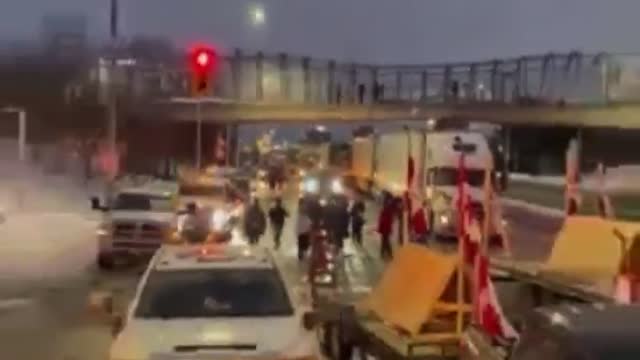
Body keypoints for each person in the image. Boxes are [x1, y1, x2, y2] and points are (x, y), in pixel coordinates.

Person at [377, 196, 395, 260]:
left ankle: (386, 253)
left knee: (385, 241)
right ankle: (387, 253)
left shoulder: (386, 209)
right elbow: (385, 220)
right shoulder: (388, 209)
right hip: (385, 228)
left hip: (385, 228)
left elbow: (382, 220)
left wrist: (379, 228)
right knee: (385, 241)